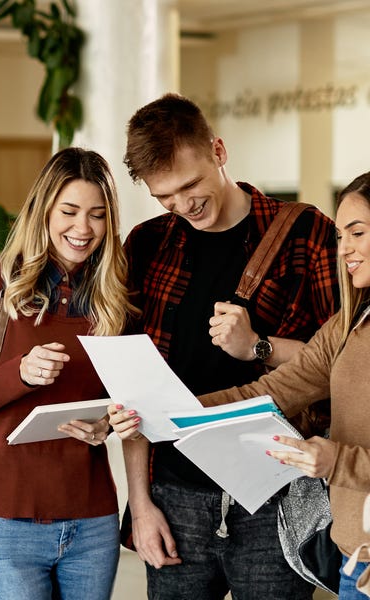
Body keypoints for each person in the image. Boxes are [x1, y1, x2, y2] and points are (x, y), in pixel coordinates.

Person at [114, 93, 340, 600]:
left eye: (190, 185)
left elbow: (345, 362)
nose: (183, 206)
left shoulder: (306, 234)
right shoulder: (147, 244)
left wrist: (259, 347)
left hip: (275, 490)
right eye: (165, 197)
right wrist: (141, 502)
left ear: (218, 150)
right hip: (173, 493)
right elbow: (134, 388)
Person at [0, 147, 138, 600]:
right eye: (69, 211)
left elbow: (126, 396)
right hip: (5, 517)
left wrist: (107, 423)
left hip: (92, 518)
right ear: (42, 210)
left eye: (97, 215)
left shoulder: (115, 294)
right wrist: (20, 374)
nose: (82, 228)